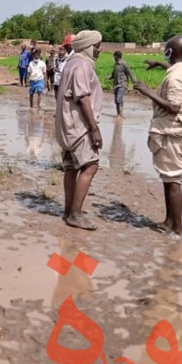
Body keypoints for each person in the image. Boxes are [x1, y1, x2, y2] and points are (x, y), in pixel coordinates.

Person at [134, 36, 182, 236]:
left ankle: (177, 227)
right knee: (168, 178)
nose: (164, 51)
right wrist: (161, 64)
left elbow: (173, 107)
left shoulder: (175, 78)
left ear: (171, 51)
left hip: (172, 131)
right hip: (181, 130)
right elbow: (175, 72)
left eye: (166, 50)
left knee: (173, 181)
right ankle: (169, 221)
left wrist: (146, 92)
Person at [54, 30, 103, 231]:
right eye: (97, 46)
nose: (100, 50)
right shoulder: (82, 65)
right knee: (90, 165)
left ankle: (69, 210)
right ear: (88, 47)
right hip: (79, 125)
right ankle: (74, 214)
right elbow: (82, 98)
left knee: (71, 167)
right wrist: (94, 129)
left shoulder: (72, 63)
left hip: (67, 124)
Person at [107, 51, 137, 117]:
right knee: (116, 100)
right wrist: (109, 77)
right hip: (116, 84)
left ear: (116, 56)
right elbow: (113, 74)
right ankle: (118, 114)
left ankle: (121, 115)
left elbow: (130, 72)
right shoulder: (115, 65)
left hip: (122, 84)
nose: (113, 58)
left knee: (119, 99)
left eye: (114, 56)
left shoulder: (124, 64)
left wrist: (135, 81)